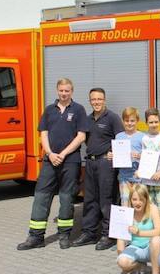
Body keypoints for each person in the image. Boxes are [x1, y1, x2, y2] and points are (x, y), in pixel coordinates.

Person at [17, 78, 88, 250]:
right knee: (41, 196)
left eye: (67, 91)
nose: (64, 93)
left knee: (66, 198)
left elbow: (81, 136)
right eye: (61, 90)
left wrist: (62, 154)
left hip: (70, 161)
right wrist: (50, 153)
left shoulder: (79, 110)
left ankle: (64, 235)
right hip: (50, 160)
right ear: (57, 91)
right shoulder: (49, 110)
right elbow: (43, 134)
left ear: (72, 91)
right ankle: (36, 237)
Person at [72, 88, 124, 250]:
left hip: (105, 164)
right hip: (91, 163)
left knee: (107, 199)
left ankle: (109, 235)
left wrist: (113, 153)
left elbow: (122, 138)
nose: (96, 102)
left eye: (99, 99)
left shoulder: (112, 118)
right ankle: (89, 232)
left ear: (104, 100)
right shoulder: (88, 119)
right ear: (90, 101)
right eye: (93, 99)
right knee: (90, 199)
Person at [116, 184, 160, 274]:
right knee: (122, 261)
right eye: (134, 199)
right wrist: (122, 259)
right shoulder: (126, 212)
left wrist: (139, 232)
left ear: (146, 199)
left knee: (156, 240)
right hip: (135, 247)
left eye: (141, 199)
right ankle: (140, 266)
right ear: (130, 200)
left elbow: (159, 231)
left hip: (151, 247)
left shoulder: (153, 209)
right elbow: (121, 236)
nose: (137, 203)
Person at [141, 108, 160, 245]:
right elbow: (143, 159)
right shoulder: (144, 138)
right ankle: (152, 241)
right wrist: (140, 172)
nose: (154, 124)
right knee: (151, 213)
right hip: (146, 181)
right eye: (151, 122)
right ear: (146, 122)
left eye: (156, 122)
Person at [112, 107, 144, 208]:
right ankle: (126, 224)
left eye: (132, 121)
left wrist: (139, 156)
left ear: (137, 121)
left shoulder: (143, 137)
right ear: (123, 121)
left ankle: (137, 224)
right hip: (124, 177)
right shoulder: (118, 136)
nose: (129, 123)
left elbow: (149, 158)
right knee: (125, 204)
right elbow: (116, 154)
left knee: (138, 204)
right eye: (126, 121)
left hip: (138, 178)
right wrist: (112, 155)